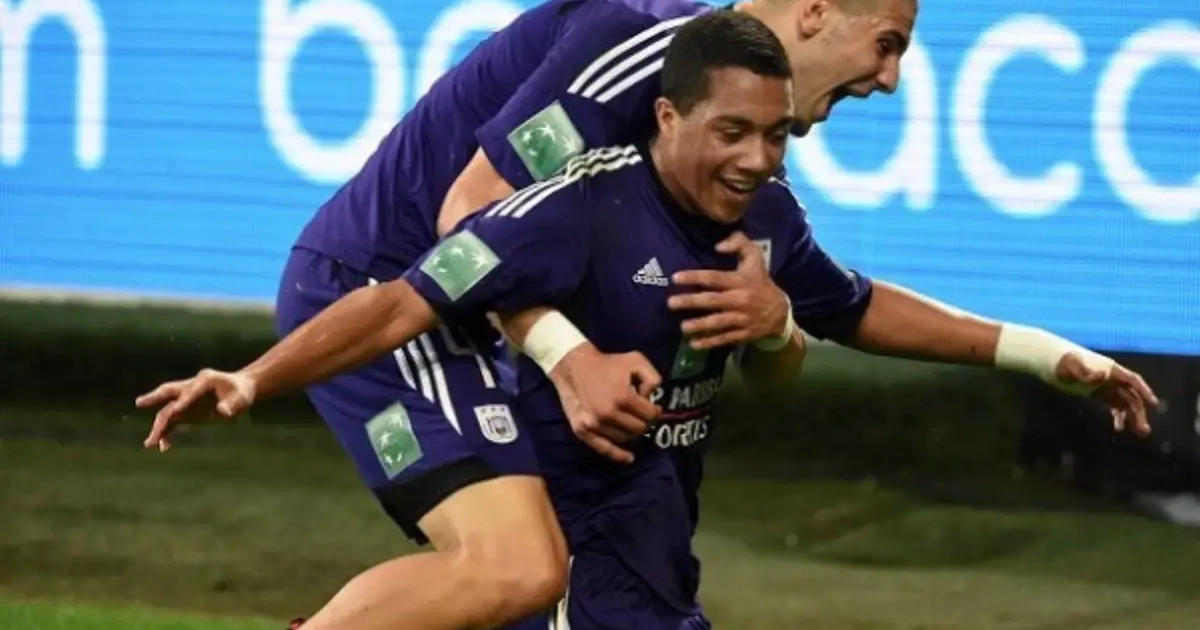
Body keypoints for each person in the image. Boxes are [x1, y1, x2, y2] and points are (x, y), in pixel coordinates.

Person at [137, 10, 1158, 630]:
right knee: (514, 568)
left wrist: (1047, 354)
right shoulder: (631, 67)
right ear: (815, 13)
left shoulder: (752, 196)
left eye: (767, 138)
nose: (892, 77)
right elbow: (463, 220)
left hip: (516, 347)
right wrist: (565, 352)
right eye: (887, 42)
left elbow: (843, 308)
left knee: (532, 581)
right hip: (392, 293)